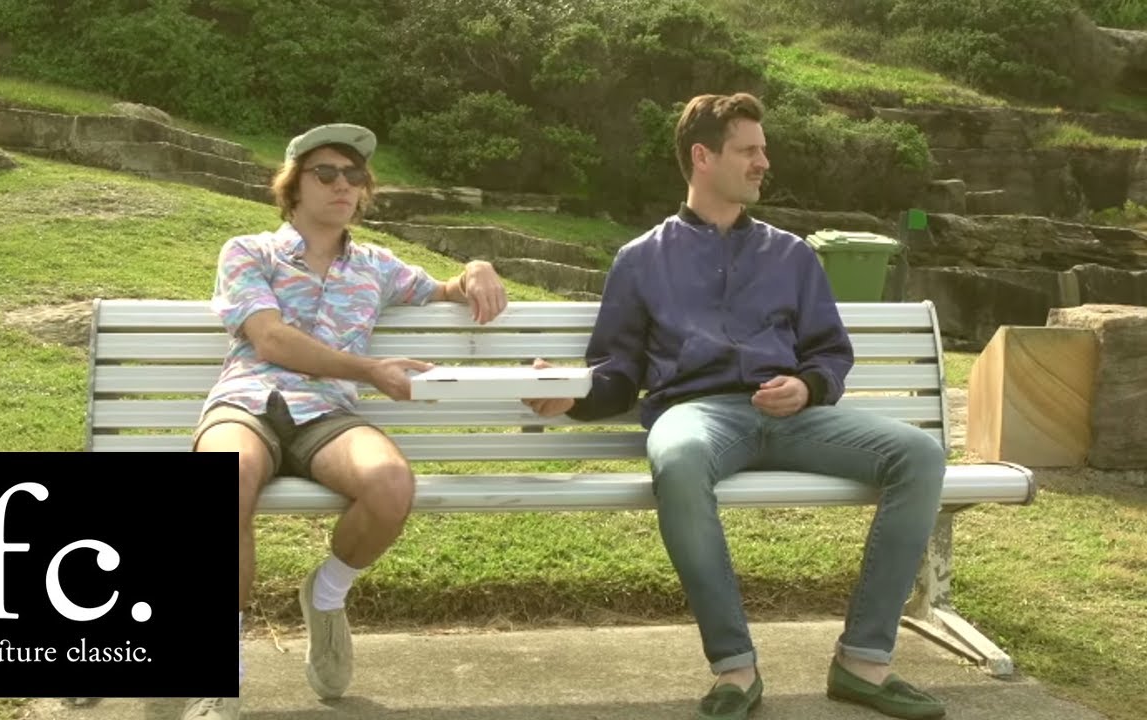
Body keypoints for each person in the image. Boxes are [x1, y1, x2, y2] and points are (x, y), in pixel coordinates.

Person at [523, 93, 948, 720]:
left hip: (795, 417)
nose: (763, 163)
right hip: (698, 416)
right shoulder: (640, 260)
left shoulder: (792, 254)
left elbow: (830, 351)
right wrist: (574, 395)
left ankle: (863, 661)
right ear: (703, 157)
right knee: (680, 459)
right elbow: (618, 371)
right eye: (748, 150)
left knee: (919, 454)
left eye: (762, 150)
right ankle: (734, 668)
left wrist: (807, 386)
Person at [185, 123, 509, 720]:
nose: (343, 184)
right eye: (326, 173)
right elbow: (269, 339)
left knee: (390, 484)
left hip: (327, 413)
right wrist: (369, 369)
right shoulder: (248, 252)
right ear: (293, 186)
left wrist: (478, 267)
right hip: (248, 402)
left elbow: (445, 288)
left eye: (354, 175)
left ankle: (327, 593)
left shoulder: (377, 266)